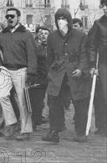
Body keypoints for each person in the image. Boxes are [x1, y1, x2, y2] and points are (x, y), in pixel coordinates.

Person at [42, 8, 91, 143]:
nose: (60, 22)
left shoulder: (80, 36)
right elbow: (50, 56)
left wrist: (81, 69)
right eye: (58, 19)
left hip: (75, 74)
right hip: (58, 75)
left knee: (80, 103)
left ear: (69, 21)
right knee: (54, 102)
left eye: (63, 19)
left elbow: (84, 55)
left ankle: (80, 132)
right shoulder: (52, 36)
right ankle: (54, 131)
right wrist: (51, 72)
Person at [0, 8, 37, 141]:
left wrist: (31, 72)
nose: (10, 19)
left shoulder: (26, 34)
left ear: (18, 17)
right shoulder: (2, 35)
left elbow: (32, 54)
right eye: (7, 16)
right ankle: (11, 123)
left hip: (21, 70)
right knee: (1, 94)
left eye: (12, 16)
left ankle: (26, 130)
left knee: (22, 101)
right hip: (6, 69)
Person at [87, 0, 107, 136]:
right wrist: (93, 65)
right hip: (104, 64)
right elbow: (92, 45)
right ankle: (102, 126)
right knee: (103, 96)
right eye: (103, 5)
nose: (104, 8)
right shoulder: (98, 23)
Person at [31, 26, 49, 130]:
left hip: (53, 76)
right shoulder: (37, 48)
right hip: (40, 77)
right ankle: (35, 120)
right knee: (37, 99)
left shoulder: (53, 47)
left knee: (54, 100)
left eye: (46, 33)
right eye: (41, 33)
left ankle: (58, 124)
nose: (43, 35)